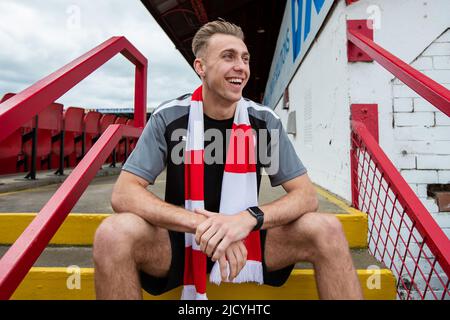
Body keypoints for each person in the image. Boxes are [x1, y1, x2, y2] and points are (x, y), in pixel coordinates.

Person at [93, 20, 364, 300]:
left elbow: (306, 196)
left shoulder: (263, 121)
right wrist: (204, 225)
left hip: (248, 237)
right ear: (201, 67)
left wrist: (247, 219)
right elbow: (125, 193)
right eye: (228, 57)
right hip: (184, 238)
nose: (241, 67)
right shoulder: (170, 117)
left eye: (245, 59)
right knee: (113, 233)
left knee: (327, 228)